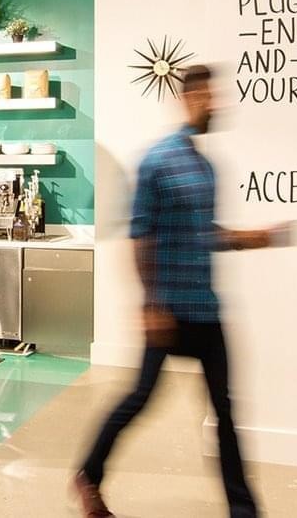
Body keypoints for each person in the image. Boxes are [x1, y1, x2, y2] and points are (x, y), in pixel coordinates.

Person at [73, 65, 284, 518]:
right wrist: (150, 303)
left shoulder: (207, 167)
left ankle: (244, 511)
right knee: (140, 397)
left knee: (225, 412)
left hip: (206, 308)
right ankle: (88, 475)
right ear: (188, 99)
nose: (216, 104)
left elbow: (202, 234)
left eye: (216, 96)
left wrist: (251, 238)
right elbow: (139, 235)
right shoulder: (157, 161)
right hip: (168, 311)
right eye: (207, 96)